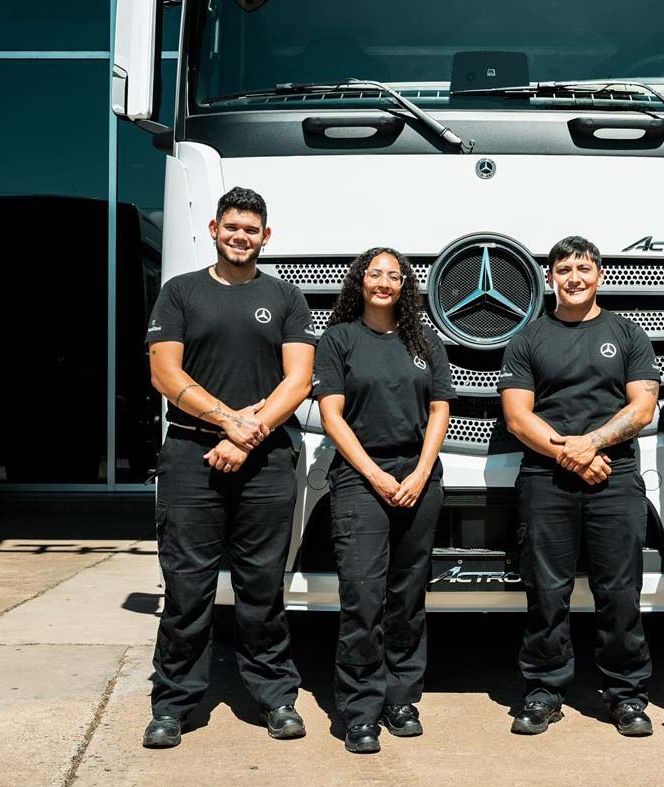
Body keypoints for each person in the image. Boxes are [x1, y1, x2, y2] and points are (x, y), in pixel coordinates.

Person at [142, 187, 316, 748]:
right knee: (186, 589)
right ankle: (172, 705)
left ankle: (276, 698)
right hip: (191, 457)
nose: (241, 237)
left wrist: (248, 433)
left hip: (266, 460)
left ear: (266, 237)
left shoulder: (286, 297)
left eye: (252, 230)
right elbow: (165, 374)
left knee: (262, 588)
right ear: (215, 229)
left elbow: (298, 381)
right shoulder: (180, 293)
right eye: (233, 227)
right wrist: (228, 422)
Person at [498, 235, 660, 737]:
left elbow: (643, 406)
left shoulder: (627, 334)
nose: (574, 278)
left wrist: (591, 444)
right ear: (550, 278)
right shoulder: (527, 339)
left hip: (616, 475)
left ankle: (626, 695)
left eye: (584, 268)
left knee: (620, 591)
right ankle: (544, 691)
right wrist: (571, 454)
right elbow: (517, 417)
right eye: (564, 270)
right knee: (547, 592)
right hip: (546, 478)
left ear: (600, 275)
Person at [313, 247, 454, 754]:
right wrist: (373, 474)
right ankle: (360, 711)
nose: (384, 282)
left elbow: (440, 409)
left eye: (395, 275)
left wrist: (420, 471)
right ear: (361, 281)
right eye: (375, 273)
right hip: (359, 476)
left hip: (418, 476)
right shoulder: (338, 339)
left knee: (408, 597)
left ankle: (401, 699)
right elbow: (332, 416)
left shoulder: (425, 341)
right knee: (363, 596)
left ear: (404, 287)